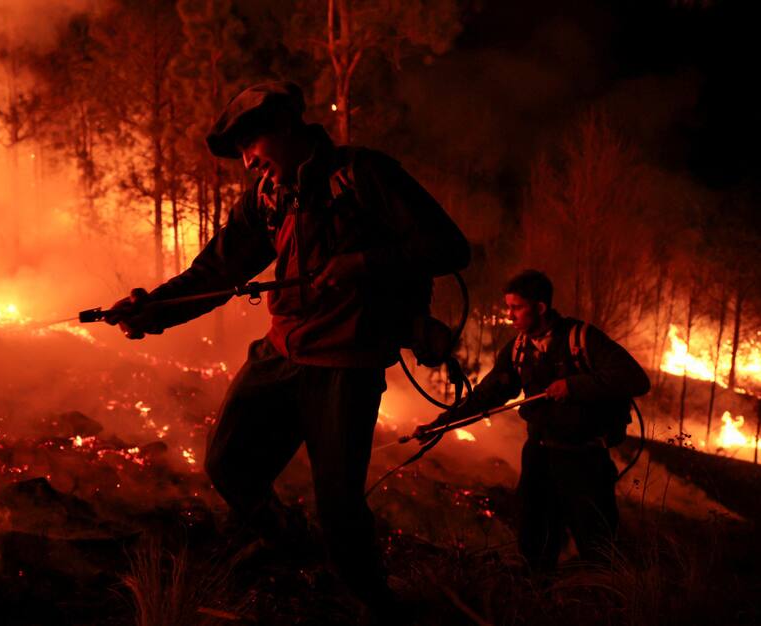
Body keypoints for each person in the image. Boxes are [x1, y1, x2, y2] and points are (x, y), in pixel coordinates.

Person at [109, 81, 470, 619]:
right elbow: (217, 272)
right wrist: (152, 310)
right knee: (228, 463)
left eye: (251, 148)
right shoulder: (267, 199)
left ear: (284, 127)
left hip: (345, 367)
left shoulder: (363, 175)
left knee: (340, 506)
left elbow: (448, 247)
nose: (249, 164)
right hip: (280, 354)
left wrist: (361, 264)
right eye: (241, 157)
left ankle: (373, 605)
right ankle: (296, 549)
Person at [416, 270, 650, 573]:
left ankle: (603, 604)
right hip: (539, 456)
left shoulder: (582, 339)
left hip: (585, 460)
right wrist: (439, 424)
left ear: (540, 308)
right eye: (508, 306)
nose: (509, 315)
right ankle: (536, 601)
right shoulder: (517, 349)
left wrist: (574, 386)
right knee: (534, 541)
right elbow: (486, 397)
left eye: (516, 307)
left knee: (597, 543)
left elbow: (636, 379)